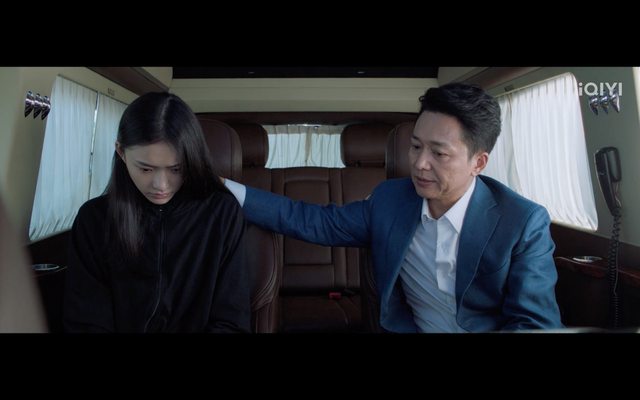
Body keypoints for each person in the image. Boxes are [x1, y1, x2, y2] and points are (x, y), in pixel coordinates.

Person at [222, 82, 563, 332]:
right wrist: (224, 188)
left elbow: (534, 324)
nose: (420, 164)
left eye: (439, 153)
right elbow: (312, 220)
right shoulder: (389, 200)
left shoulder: (522, 222)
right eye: (415, 147)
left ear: (479, 162)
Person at [64, 92, 251, 333]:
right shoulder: (94, 220)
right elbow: (86, 323)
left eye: (176, 169)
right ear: (121, 152)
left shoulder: (222, 214)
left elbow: (231, 322)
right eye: (146, 169)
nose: (161, 185)